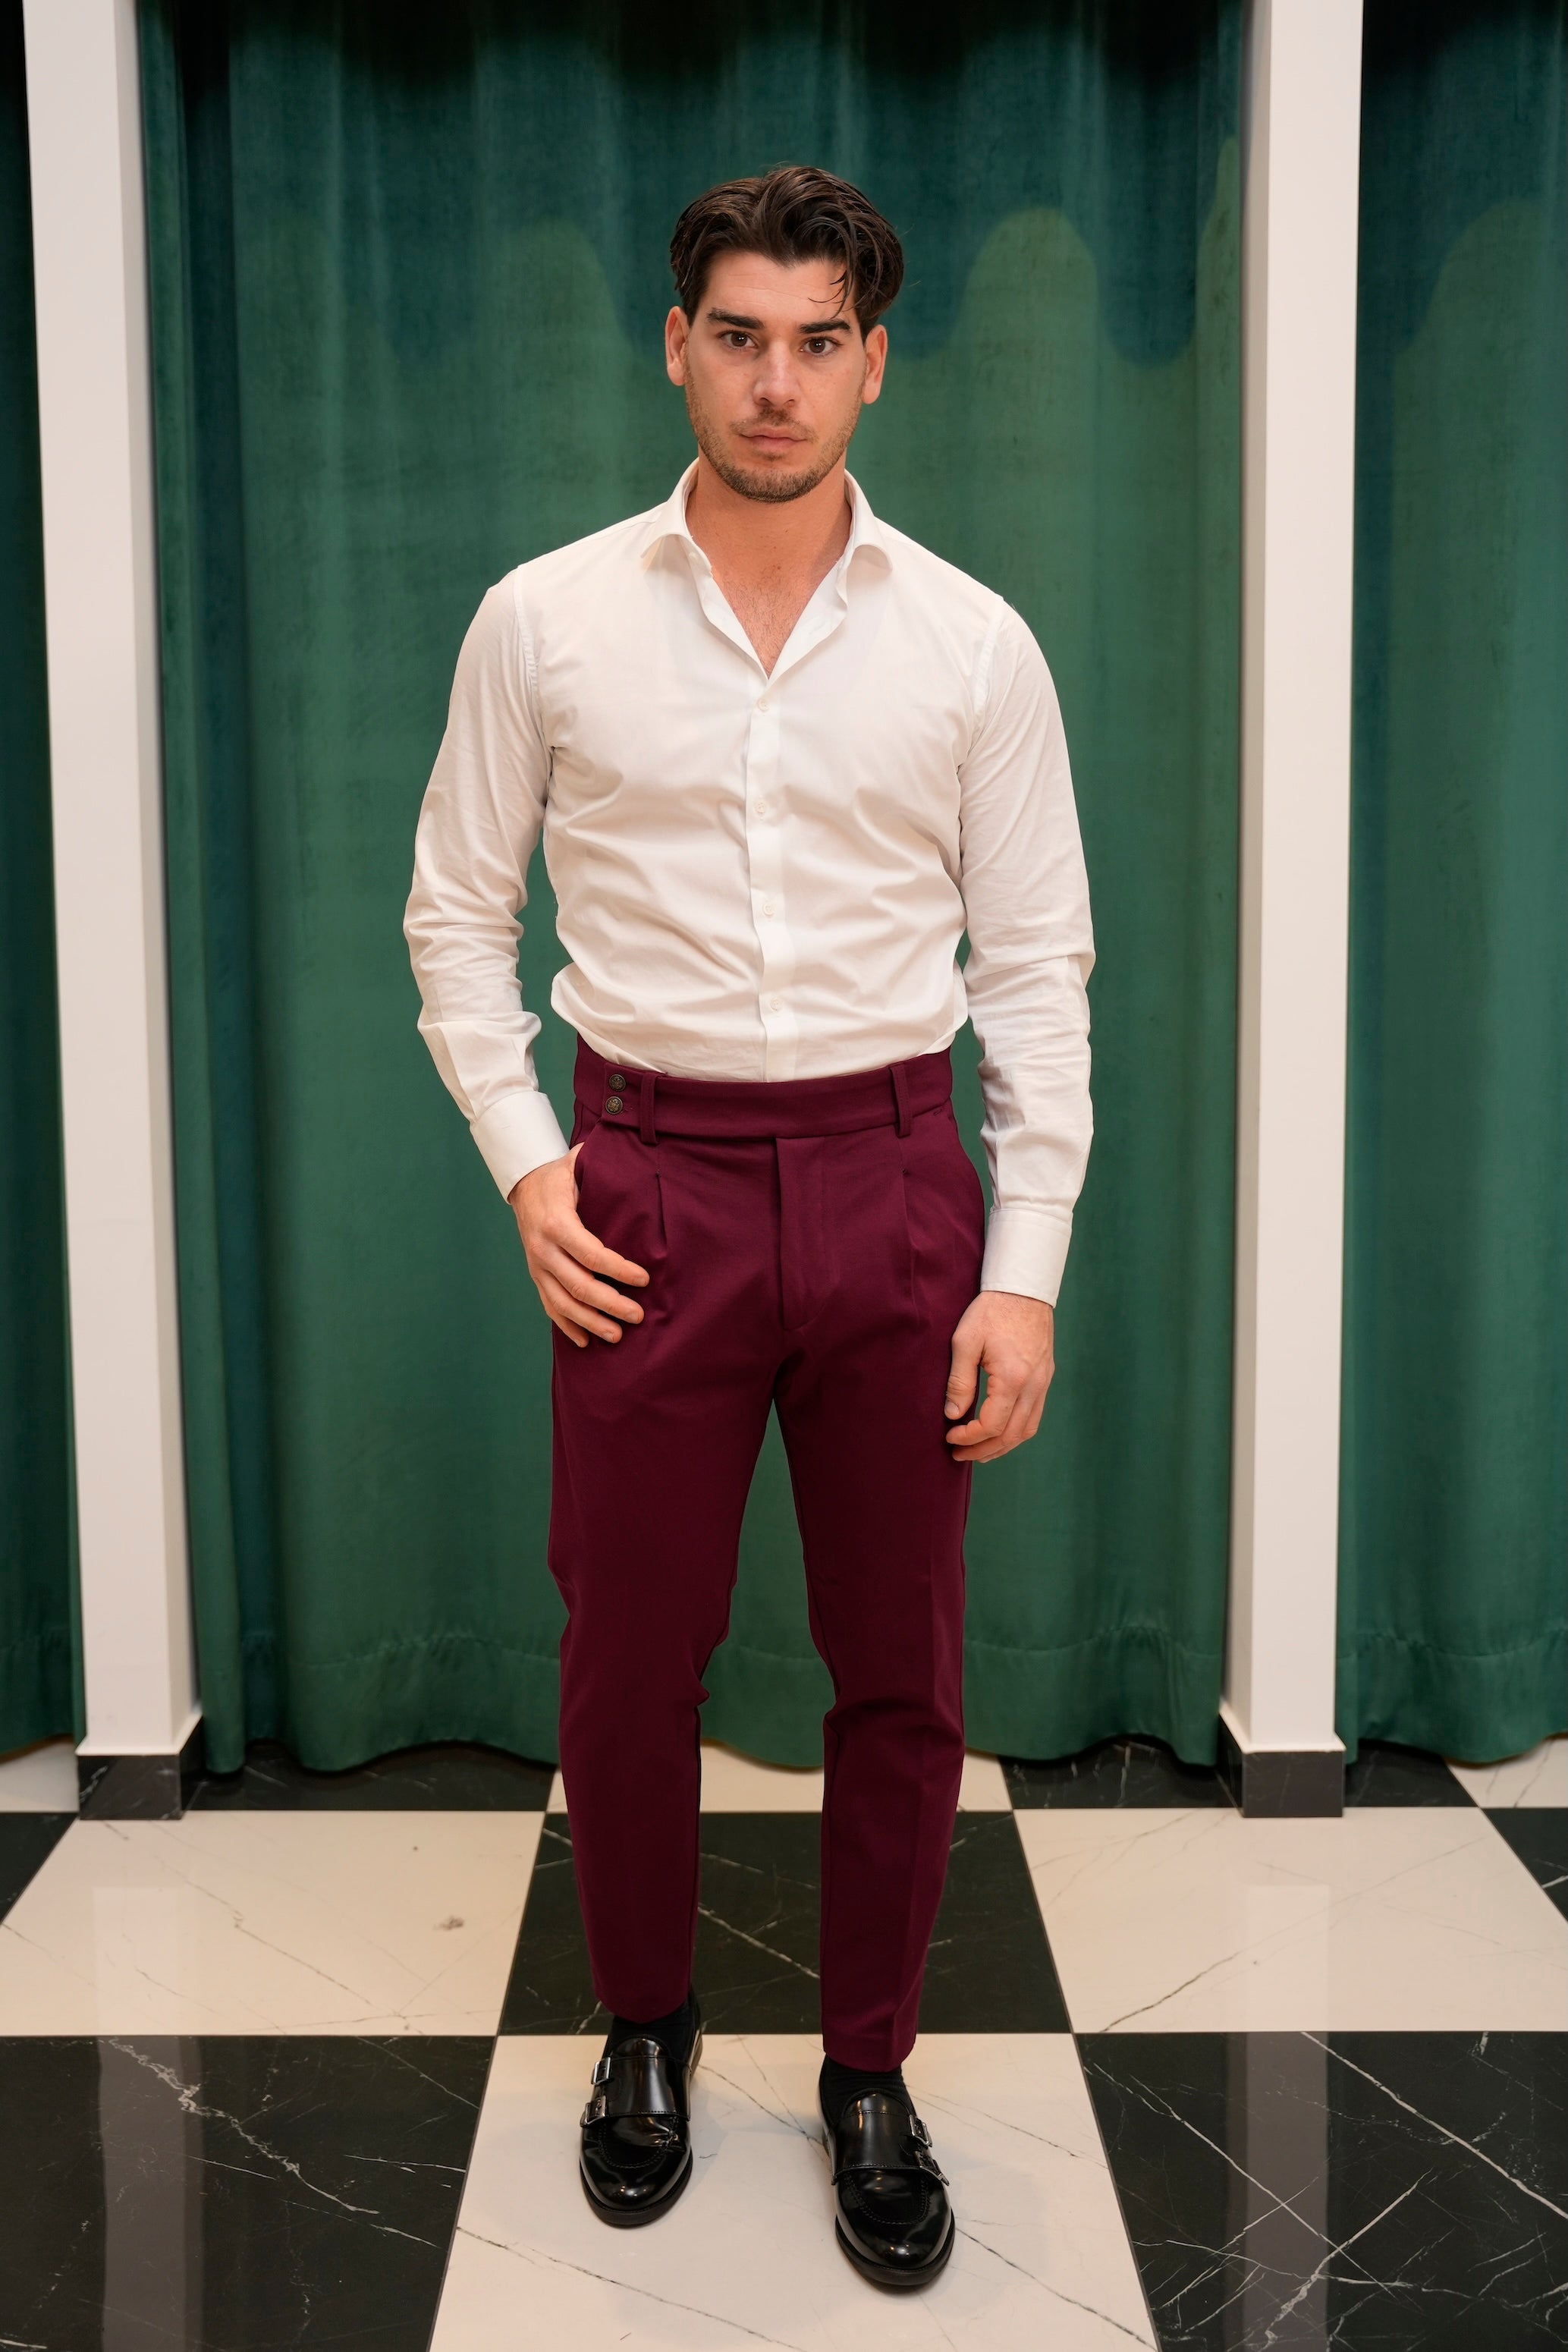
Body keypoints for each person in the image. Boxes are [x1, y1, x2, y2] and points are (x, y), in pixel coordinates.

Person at [404, 163, 1093, 2291]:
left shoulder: (973, 642)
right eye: (736, 335)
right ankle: (645, 2028)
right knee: (628, 1652)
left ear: (874, 363)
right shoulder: (545, 620)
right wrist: (532, 1165)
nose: (774, 380)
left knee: (903, 1665)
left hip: (894, 1184)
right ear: (675, 346)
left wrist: (1021, 1267)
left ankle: (867, 2066)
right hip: (646, 1188)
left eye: (816, 341)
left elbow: (1037, 969)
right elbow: (454, 915)